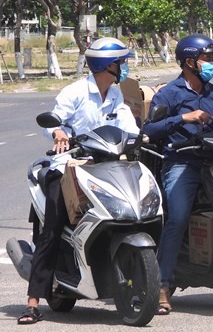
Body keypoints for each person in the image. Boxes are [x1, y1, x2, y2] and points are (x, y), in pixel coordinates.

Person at [18, 38, 138, 325]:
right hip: (67, 166)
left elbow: (127, 125)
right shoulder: (75, 92)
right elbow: (55, 119)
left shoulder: (116, 95)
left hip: (102, 166)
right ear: (105, 65)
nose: (124, 67)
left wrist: (140, 135)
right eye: (120, 62)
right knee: (53, 227)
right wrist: (58, 132)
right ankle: (33, 301)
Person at [142, 34, 213, 315]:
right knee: (178, 219)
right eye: (207, 59)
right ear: (190, 62)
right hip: (181, 163)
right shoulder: (169, 93)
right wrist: (184, 117)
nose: (211, 64)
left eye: (212, 59)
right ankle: (162, 286)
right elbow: (149, 130)